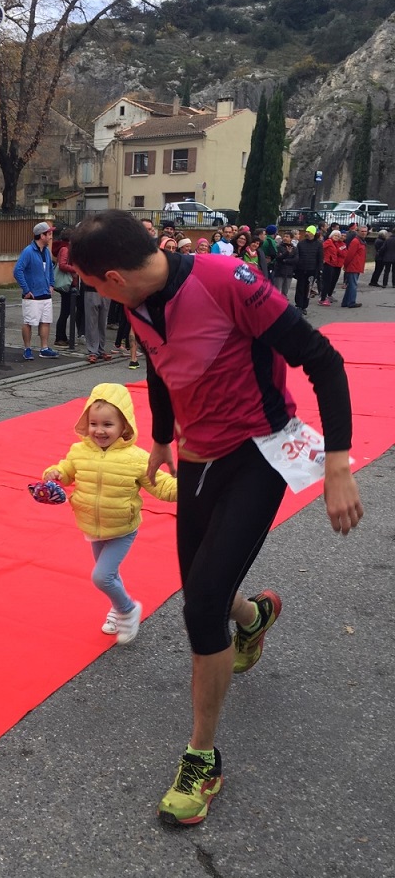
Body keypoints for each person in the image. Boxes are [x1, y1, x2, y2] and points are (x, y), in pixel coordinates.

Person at [68, 210, 362, 826]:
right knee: (207, 586)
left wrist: (337, 465)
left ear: (114, 276)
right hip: (198, 457)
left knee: (199, 605)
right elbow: (158, 364)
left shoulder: (229, 280)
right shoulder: (136, 304)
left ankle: (202, 758)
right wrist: (161, 440)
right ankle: (254, 618)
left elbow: (323, 358)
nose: (96, 294)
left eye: (95, 285)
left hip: (258, 452)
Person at [41, 382, 177, 644]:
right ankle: (118, 607)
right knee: (110, 575)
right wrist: (55, 474)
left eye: (107, 424)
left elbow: (161, 486)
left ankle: (127, 609)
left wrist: (193, 487)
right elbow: (67, 471)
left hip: (122, 528)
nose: (99, 431)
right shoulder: (79, 451)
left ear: (124, 426)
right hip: (91, 525)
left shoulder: (136, 458)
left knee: (102, 577)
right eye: (94, 424)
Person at [13, 221, 59, 360]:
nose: (51, 237)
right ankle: (27, 348)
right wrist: (26, 289)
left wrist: (51, 284)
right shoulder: (28, 251)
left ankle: (44, 348)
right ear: (41, 235)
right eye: (49, 234)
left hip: (45, 293)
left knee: (46, 321)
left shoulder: (46, 252)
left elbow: (50, 268)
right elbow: (17, 270)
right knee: (29, 322)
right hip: (32, 295)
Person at [53, 228, 83, 346]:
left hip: (71, 284)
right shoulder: (65, 249)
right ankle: (59, 337)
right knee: (65, 311)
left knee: (68, 311)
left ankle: (63, 337)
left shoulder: (66, 248)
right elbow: (62, 265)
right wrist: (76, 269)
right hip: (68, 284)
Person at [293, 225, 323, 316]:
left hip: (312, 270)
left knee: (308, 289)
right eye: (306, 231)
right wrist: (296, 269)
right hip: (301, 270)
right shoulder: (301, 244)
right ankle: (298, 305)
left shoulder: (318, 244)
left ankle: (304, 306)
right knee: (300, 288)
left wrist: (319, 270)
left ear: (313, 233)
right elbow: (297, 257)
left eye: (309, 232)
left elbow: (320, 258)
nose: (307, 233)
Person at [340, 225, 368, 308]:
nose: (364, 233)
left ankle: (345, 302)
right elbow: (349, 255)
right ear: (358, 231)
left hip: (356, 266)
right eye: (362, 231)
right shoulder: (356, 241)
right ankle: (351, 302)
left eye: (365, 231)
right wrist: (346, 265)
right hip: (353, 266)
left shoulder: (360, 241)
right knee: (353, 285)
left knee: (350, 285)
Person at [319, 230, 346, 305]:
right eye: (335, 235)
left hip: (332, 263)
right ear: (331, 235)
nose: (337, 237)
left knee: (329, 281)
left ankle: (324, 297)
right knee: (326, 282)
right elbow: (321, 248)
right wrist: (323, 259)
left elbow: (344, 253)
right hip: (328, 263)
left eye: (338, 236)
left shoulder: (334, 243)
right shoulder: (329, 241)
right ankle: (322, 299)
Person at [272, 232, 297, 297]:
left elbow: (296, 259)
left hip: (289, 272)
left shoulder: (294, 248)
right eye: (284, 236)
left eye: (287, 237)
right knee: (276, 291)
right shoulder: (279, 247)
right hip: (279, 271)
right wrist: (287, 253)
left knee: (285, 292)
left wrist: (285, 260)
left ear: (291, 238)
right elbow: (278, 258)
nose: (285, 238)